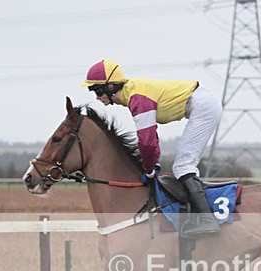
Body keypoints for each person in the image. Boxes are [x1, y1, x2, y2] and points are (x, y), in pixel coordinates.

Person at [81, 59, 223, 237]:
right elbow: (150, 137)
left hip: (203, 107)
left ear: (110, 86)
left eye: (97, 90)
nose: (97, 97)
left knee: (183, 166)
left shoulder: (137, 98)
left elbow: (147, 142)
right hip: (201, 103)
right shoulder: (132, 94)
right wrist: (153, 164)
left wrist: (149, 169)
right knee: (182, 165)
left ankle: (208, 220)